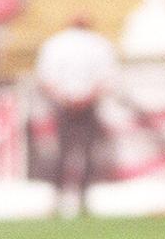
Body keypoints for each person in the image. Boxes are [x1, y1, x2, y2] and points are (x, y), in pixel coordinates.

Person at [34, 14, 118, 215]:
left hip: (64, 103)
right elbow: (108, 78)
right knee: (85, 152)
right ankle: (80, 199)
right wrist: (85, 98)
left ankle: (59, 199)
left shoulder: (55, 43)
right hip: (86, 103)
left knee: (64, 152)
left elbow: (44, 78)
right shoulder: (99, 44)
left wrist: (64, 98)